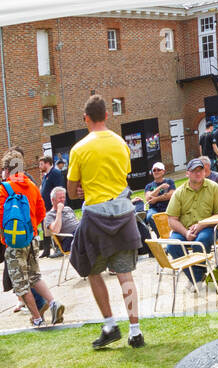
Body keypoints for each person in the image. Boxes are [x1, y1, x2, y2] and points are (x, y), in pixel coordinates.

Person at [67, 94, 142, 349]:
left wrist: (82, 189)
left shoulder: (79, 148)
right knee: (125, 275)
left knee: (91, 270)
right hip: (122, 212)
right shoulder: (120, 143)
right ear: (107, 116)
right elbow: (124, 177)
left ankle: (110, 325)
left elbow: (71, 190)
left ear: (86, 118)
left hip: (95, 215)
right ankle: (135, 331)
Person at [0, 149, 65, 327]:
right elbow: (41, 213)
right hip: (32, 238)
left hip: (14, 243)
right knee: (35, 276)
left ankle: (36, 318)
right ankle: (53, 303)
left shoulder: (4, 189)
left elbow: (1, 218)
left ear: (7, 169)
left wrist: (8, 240)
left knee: (21, 283)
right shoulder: (32, 187)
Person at [165, 157, 218, 280]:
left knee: (200, 241)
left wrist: (202, 224)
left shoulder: (214, 188)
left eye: (200, 170)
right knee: (172, 245)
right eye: (194, 171)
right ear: (187, 173)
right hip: (183, 229)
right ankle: (197, 279)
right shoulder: (179, 192)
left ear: (205, 172)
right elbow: (171, 219)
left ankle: (196, 280)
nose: (198, 173)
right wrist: (186, 232)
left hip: (207, 228)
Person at [37, 155, 65, 257]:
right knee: (46, 229)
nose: (39, 167)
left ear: (47, 163)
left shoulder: (55, 173)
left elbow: (59, 188)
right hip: (46, 207)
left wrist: (58, 205)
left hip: (53, 206)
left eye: (41, 164)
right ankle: (46, 250)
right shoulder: (45, 176)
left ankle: (59, 248)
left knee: (55, 228)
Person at [43, 186, 79, 254]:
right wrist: (59, 211)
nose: (62, 200)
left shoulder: (68, 209)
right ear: (53, 200)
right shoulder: (49, 215)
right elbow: (55, 230)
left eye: (64, 197)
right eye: (60, 198)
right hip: (69, 240)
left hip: (79, 234)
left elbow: (76, 223)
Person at [143, 161, 176, 232]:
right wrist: (160, 187)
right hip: (154, 209)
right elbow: (148, 199)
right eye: (154, 170)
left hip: (168, 207)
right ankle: (160, 235)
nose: (156, 171)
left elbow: (171, 195)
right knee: (150, 217)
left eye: (158, 169)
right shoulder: (149, 186)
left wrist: (156, 199)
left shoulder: (169, 182)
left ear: (163, 171)